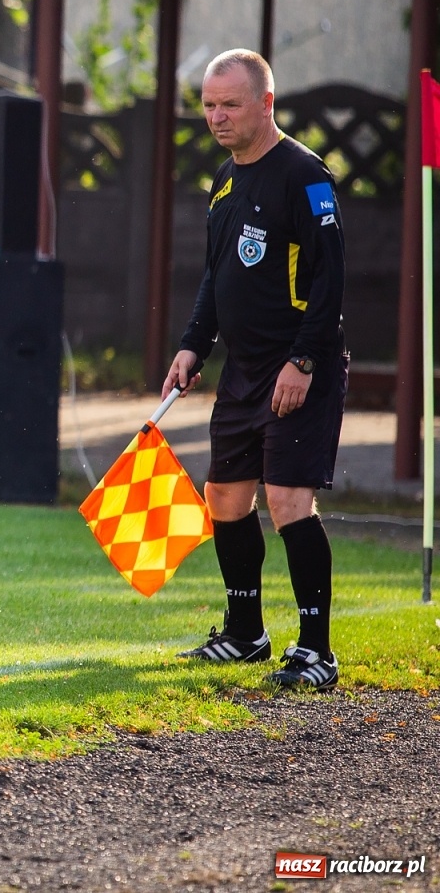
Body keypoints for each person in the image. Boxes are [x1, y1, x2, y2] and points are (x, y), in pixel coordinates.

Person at [163, 48, 348, 692]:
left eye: (230, 104)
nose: (216, 116)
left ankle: (316, 650)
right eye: (209, 105)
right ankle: (246, 634)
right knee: (224, 499)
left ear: (265, 103)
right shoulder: (225, 179)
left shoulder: (305, 175)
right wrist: (192, 344)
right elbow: (217, 276)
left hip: (299, 368)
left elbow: (330, 279)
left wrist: (302, 360)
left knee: (290, 501)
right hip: (242, 373)